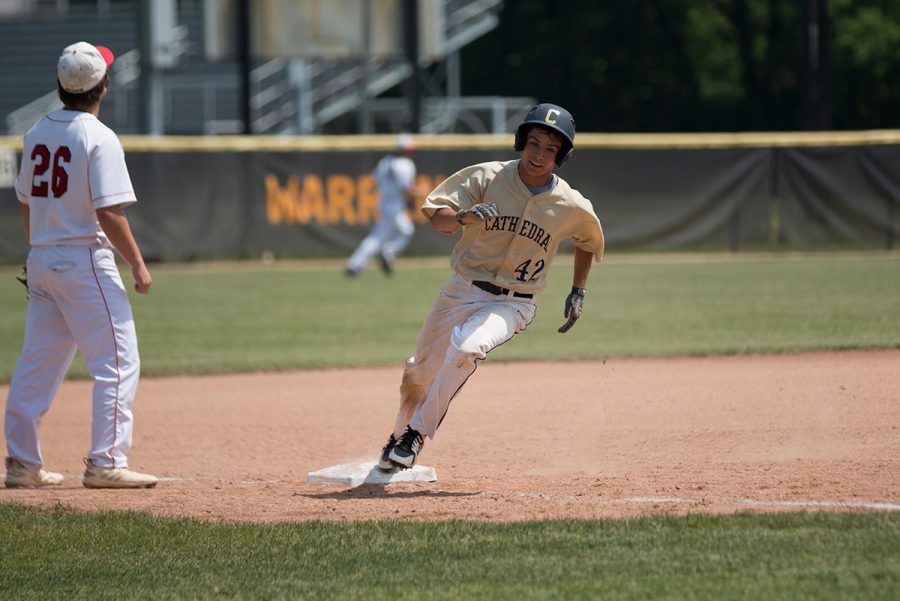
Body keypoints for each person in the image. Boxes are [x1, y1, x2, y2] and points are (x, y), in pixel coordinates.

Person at [377, 103, 605, 470]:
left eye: (550, 149)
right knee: (418, 374)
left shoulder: (571, 204)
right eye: (534, 143)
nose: (540, 154)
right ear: (521, 142)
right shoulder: (486, 177)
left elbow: (588, 241)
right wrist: (464, 216)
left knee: (467, 348)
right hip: (461, 289)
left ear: (562, 155)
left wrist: (579, 290)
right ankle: (398, 438)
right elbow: (437, 217)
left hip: (515, 302)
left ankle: (416, 434)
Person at [4, 42, 158, 489]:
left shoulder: (36, 132)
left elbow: (25, 199)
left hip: (44, 259)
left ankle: (21, 464)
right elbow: (110, 212)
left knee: (38, 362)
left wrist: (41, 248)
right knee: (117, 361)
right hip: (84, 260)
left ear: (60, 86)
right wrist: (138, 264)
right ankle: (106, 461)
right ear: (103, 87)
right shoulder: (99, 137)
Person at [345, 133, 420, 277]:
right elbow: (406, 190)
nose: (412, 153)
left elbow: (375, 181)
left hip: (384, 202)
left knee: (381, 236)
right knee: (400, 232)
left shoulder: (385, 162)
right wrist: (422, 193)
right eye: (410, 150)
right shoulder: (405, 164)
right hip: (395, 205)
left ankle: (356, 264)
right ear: (404, 150)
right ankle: (384, 254)